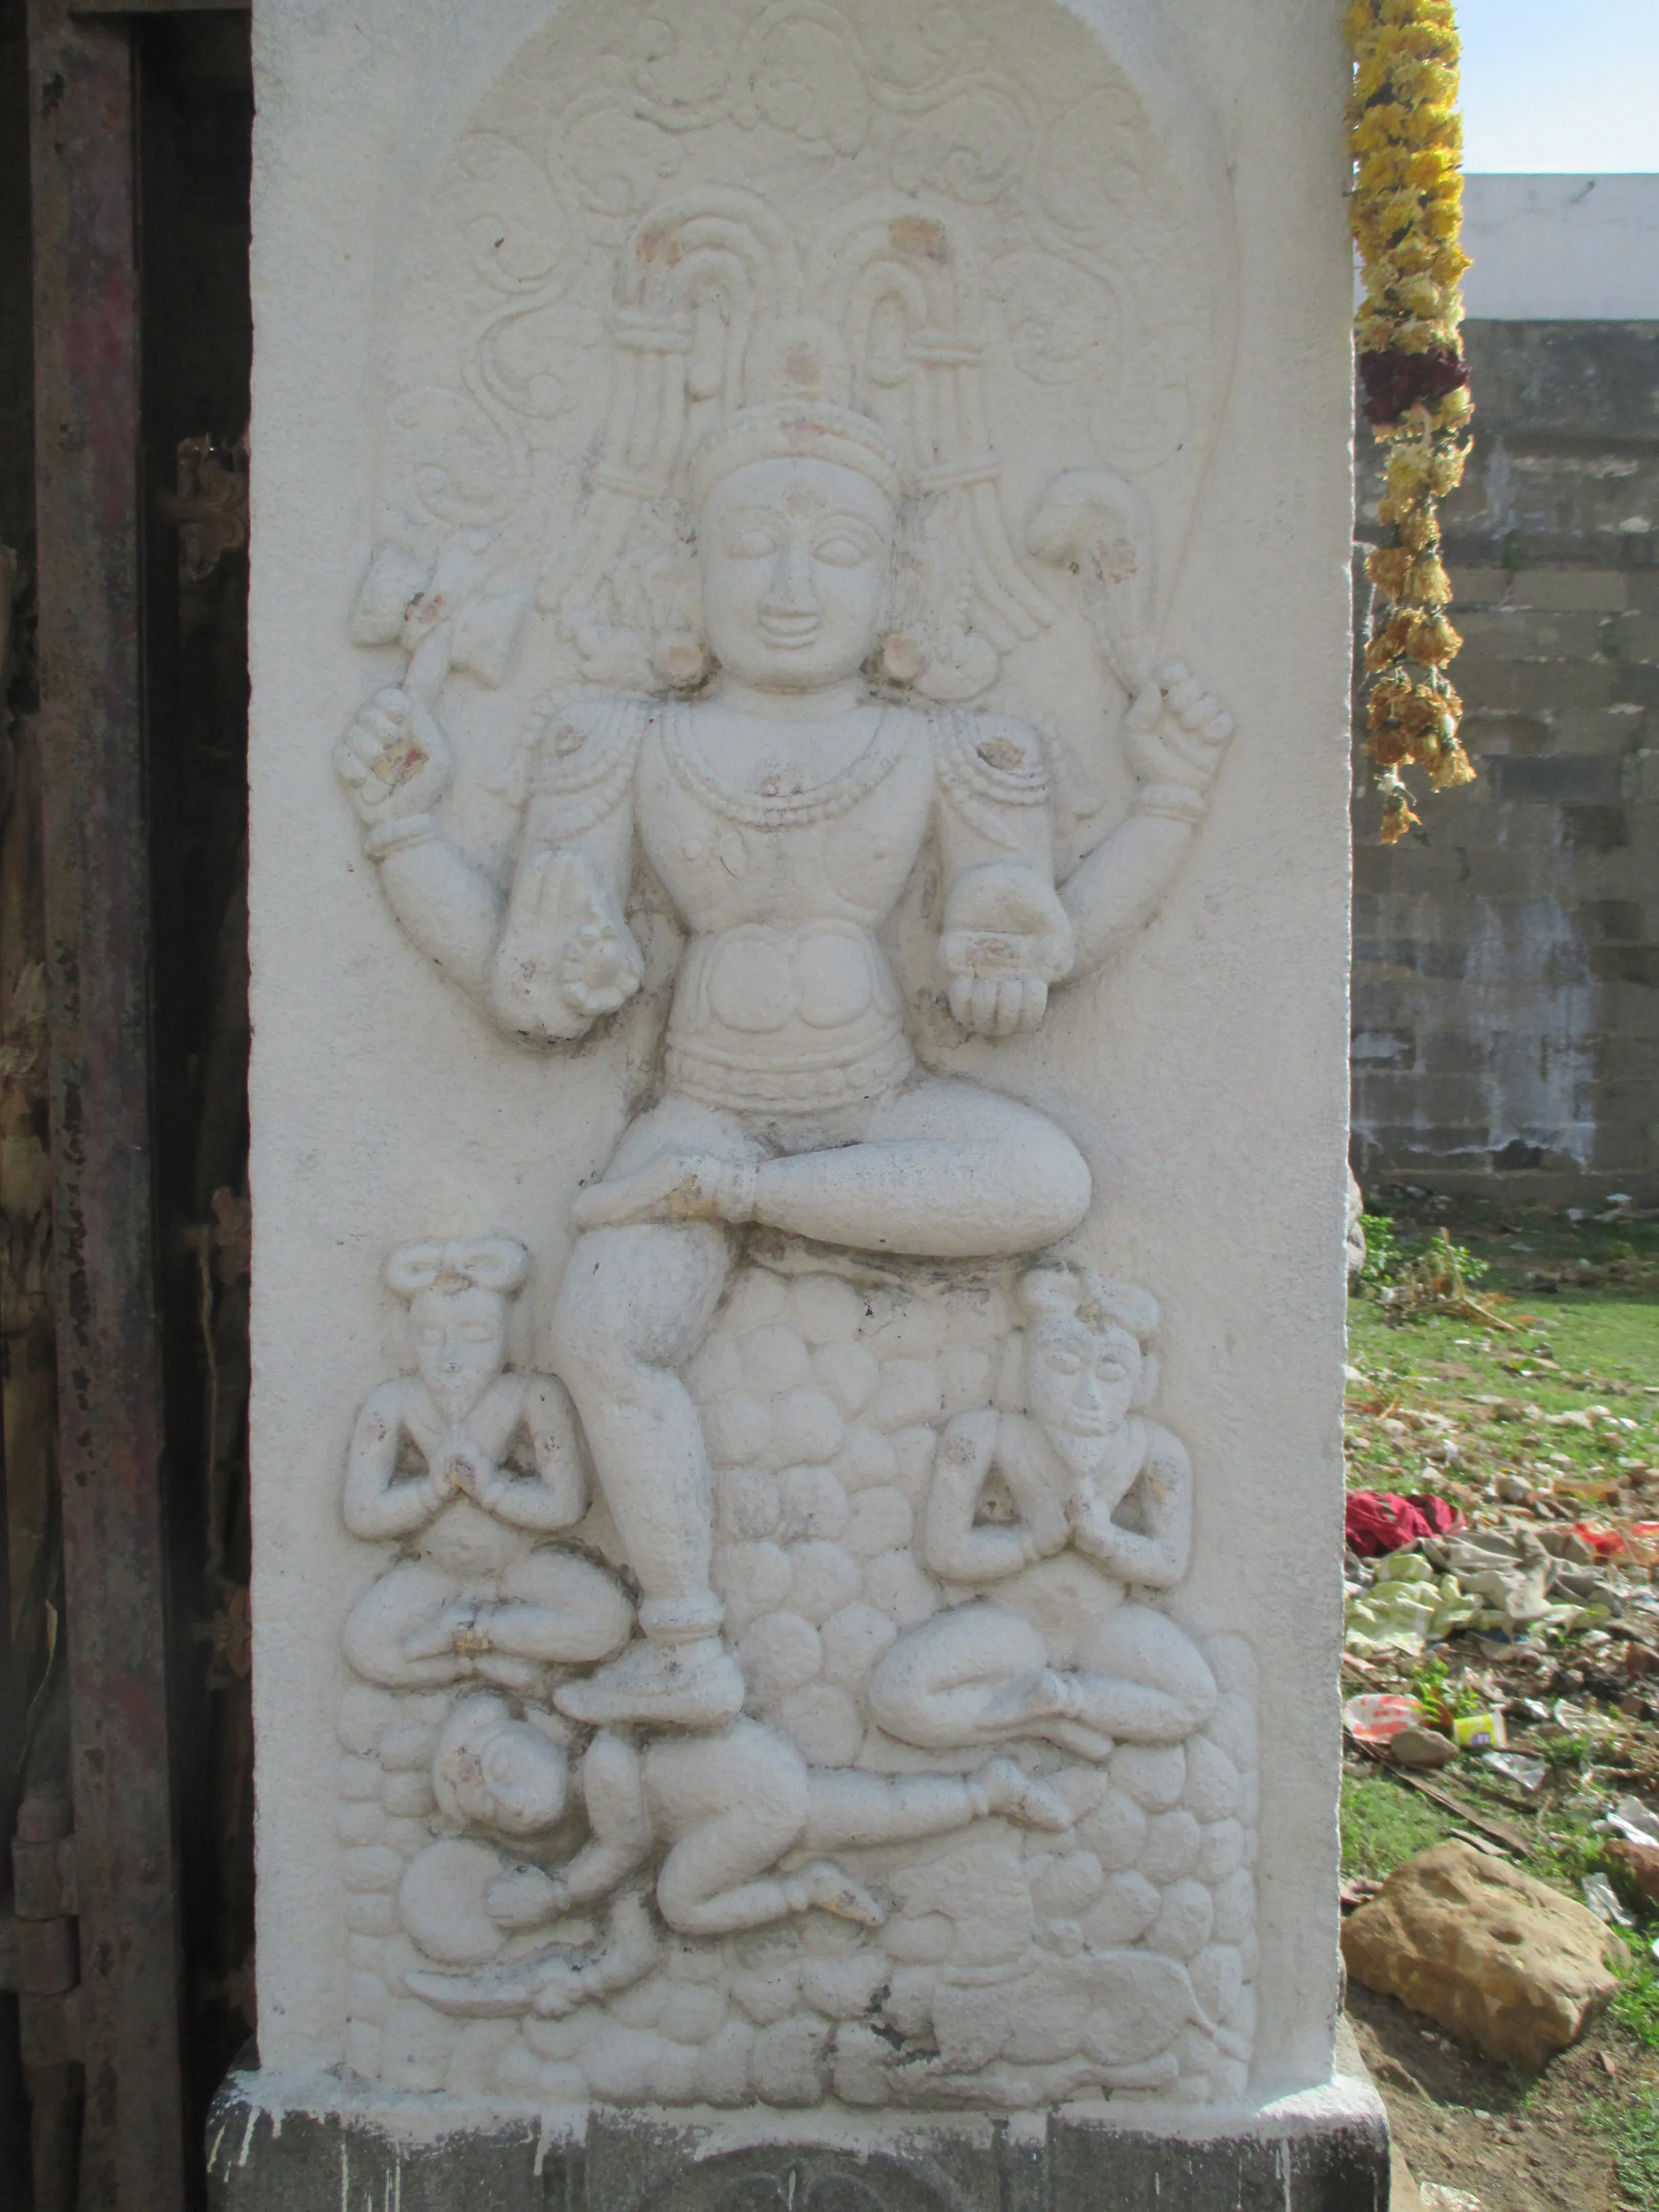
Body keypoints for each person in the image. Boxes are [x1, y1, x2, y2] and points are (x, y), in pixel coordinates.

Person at [337, 322, 1231, 1729]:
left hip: (878, 1099)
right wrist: (401, 834)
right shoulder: (618, 743)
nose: (793, 583)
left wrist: (1168, 805)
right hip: (699, 1095)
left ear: (896, 588)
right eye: (752, 544)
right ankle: (685, 1638)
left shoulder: (956, 749)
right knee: (602, 1329)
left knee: (1048, 1177)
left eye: (835, 549)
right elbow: (527, 982)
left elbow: (1039, 941)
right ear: (687, 571)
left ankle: (757, 1199)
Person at [868, 1263, 1216, 1759]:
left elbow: (1168, 1565)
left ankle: (1065, 1703)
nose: (1088, 1398)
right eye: (1062, 1366)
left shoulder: (1155, 1451)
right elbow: (945, 1554)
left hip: (1105, 1626)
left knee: (1194, 1698)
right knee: (897, 1695)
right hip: (1012, 1620)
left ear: (1143, 1383)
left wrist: (1105, 1541)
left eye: (1111, 1372)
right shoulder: (983, 1435)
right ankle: (1036, 1719)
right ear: (1018, 1365)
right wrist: (1031, 1542)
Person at [340, 1237, 632, 1694]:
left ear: (510, 1336)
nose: (450, 1359)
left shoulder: (532, 1396)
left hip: (521, 1565)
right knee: (365, 1646)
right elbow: (361, 1514)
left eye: (477, 1336)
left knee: (608, 1621)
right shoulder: (393, 1403)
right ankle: (476, 1667)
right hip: (435, 1570)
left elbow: (565, 1505)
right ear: (407, 1338)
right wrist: (430, 1492)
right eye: (430, 1337)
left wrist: (491, 1489)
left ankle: (477, 1634)